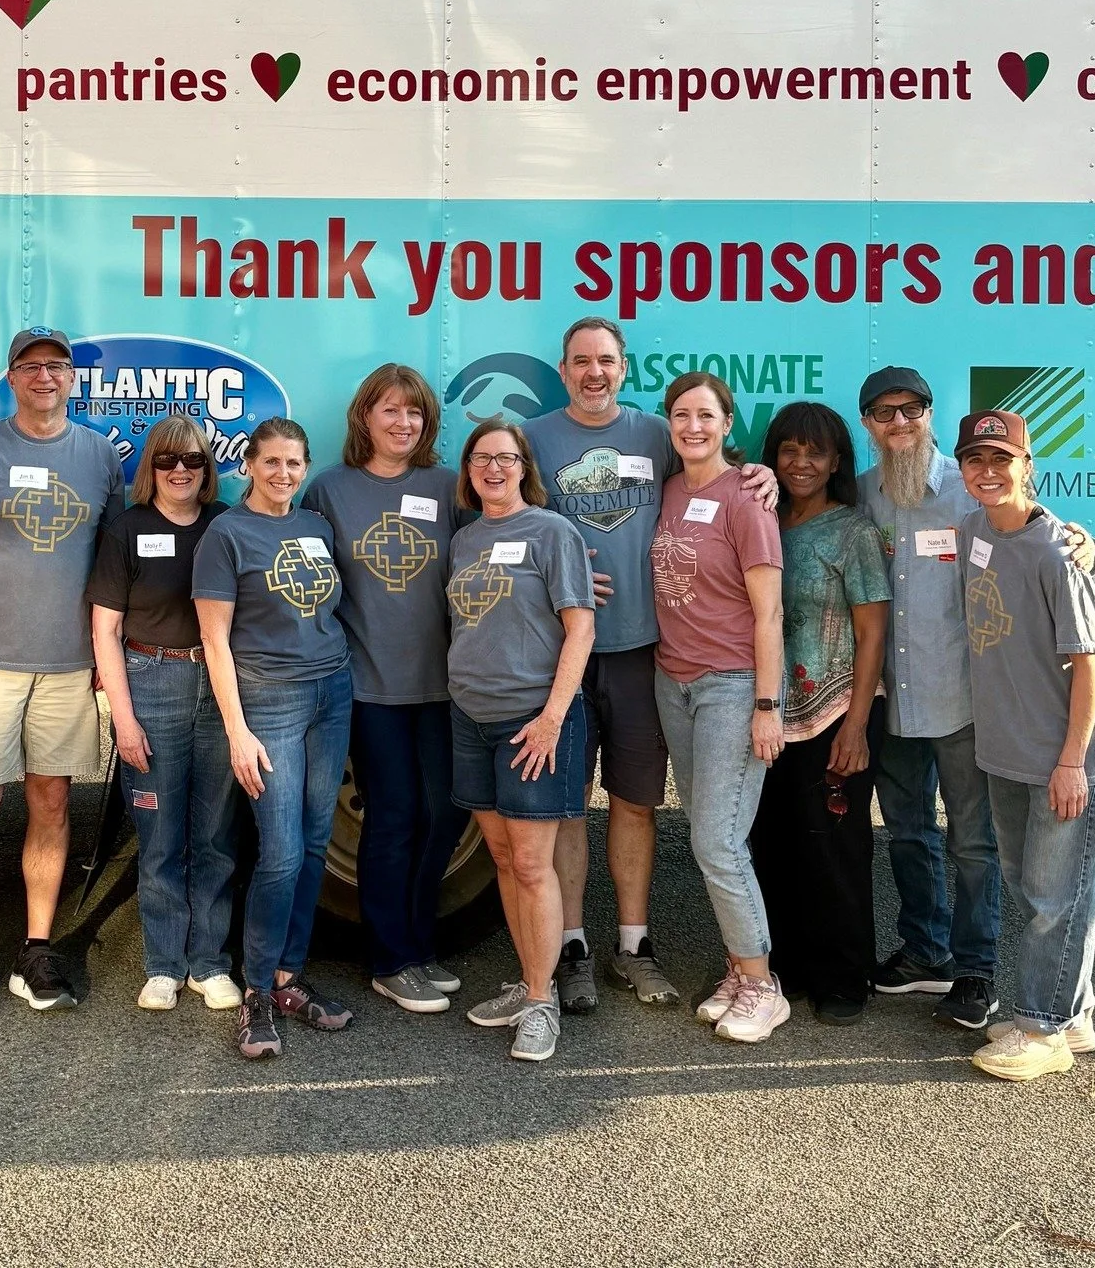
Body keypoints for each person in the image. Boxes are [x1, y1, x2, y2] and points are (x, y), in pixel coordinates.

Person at [521, 317, 775, 1013]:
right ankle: (570, 944)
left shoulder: (656, 436)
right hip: (560, 657)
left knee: (634, 803)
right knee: (567, 803)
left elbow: (715, 471)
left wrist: (762, 474)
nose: (594, 372)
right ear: (563, 369)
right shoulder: (535, 441)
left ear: (624, 368)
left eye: (606, 360)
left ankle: (633, 946)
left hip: (645, 655)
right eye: (581, 361)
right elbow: (502, 521)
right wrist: (553, 582)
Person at [859, 368, 1095, 1031]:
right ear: (868, 426)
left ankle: (974, 970)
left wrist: (1084, 541)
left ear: (930, 416)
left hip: (967, 702)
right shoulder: (862, 495)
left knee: (973, 843)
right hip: (894, 700)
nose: (898, 423)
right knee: (907, 833)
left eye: (911, 411)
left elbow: (1039, 535)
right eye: (883, 413)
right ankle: (926, 951)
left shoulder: (970, 494)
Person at [0, 326, 124, 1019]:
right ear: (11, 378)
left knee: (52, 803)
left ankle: (36, 949)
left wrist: (107, 655)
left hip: (67, 668)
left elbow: (115, 565)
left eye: (57, 366)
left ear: (73, 379)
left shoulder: (100, 457)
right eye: (31, 366)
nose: (45, 376)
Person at [954, 410, 1095, 1082]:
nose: (989, 472)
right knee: (1035, 888)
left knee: (1059, 896)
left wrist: (1071, 762)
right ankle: (1070, 1013)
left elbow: (1086, 663)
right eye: (976, 461)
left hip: (1065, 751)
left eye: (1002, 460)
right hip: (1008, 747)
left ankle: (1043, 1029)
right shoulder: (973, 530)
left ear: (1028, 466)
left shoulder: (1059, 553)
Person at [302, 365, 469, 1015]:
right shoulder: (331, 492)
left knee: (443, 816)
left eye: (416, 413)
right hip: (368, 685)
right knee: (394, 815)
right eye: (390, 411)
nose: (403, 423)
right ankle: (390, 958)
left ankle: (418, 946)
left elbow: (497, 543)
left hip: (443, 684)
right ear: (364, 418)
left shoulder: (449, 487)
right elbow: (306, 584)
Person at [194, 418, 354, 1060]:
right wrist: (238, 732)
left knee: (316, 843)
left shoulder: (315, 526)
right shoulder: (226, 535)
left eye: (294, 463)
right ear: (249, 467)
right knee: (281, 851)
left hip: (332, 693)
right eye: (272, 463)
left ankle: (290, 976)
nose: (283, 474)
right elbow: (214, 640)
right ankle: (256, 990)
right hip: (270, 702)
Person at [448, 423, 595, 1065]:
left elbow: (581, 630)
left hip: (533, 722)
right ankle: (531, 983)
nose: (494, 468)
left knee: (534, 864)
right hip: (470, 719)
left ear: (523, 467)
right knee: (505, 860)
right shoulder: (463, 540)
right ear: (470, 469)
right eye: (483, 458)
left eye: (506, 458)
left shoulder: (552, 532)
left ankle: (541, 1003)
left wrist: (552, 719)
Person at [650, 372, 789, 1044]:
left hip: (732, 686)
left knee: (717, 841)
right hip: (672, 683)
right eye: (681, 415)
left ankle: (764, 986)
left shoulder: (747, 497)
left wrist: (768, 704)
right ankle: (738, 969)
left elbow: (770, 613)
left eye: (706, 415)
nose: (693, 427)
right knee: (712, 839)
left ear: (728, 423)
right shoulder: (671, 487)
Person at [87, 415, 240, 1013]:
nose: (181, 470)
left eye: (194, 460)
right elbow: (106, 631)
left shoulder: (227, 526)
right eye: (168, 460)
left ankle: (209, 963)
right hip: (150, 680)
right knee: (158, 835)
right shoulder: (128, 530)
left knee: (216, 832)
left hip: (220, 681)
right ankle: (162, 965)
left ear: (208, 470)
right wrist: (123, 719)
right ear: (150, 468)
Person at [751, 403, 891, 1025]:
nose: (801, 463)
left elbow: (872, 633)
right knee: (773, 844)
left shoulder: (853, 533)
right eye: (789, 451)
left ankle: (842, 976)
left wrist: (857, 726)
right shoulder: (760, 521)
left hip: (835, 711)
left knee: (833, 846)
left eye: (815, 453)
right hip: (768, 713)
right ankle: (785, 968)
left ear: (837, 462)